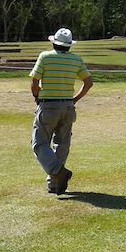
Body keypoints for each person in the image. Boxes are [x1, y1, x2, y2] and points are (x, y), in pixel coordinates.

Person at [30, 27, 93, 195]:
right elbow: (88, 82)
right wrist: (75, 99)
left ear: (54, 43)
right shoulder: (76, 59)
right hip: (67, 107)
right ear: (69, 45)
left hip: (49, 106)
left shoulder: (45, 57)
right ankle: (54, 184)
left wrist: (36, 96)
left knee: (39, 143)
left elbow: (35, 82)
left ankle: (58, 171)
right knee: (62, 144)